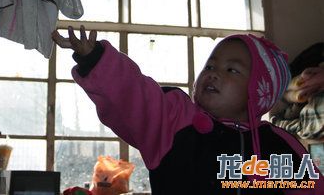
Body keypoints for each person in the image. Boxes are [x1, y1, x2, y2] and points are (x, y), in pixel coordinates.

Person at [52, 26, 323, 194]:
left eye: (231, 69)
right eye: (210, 66)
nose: (214, 74)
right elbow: (134, 96)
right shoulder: (177, 120)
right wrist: (96, 60)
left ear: (258, 90)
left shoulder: (280, 145)